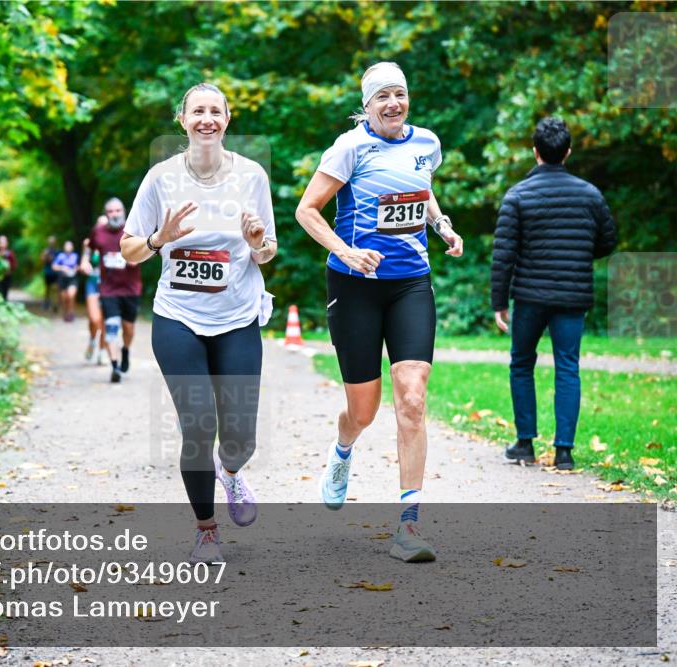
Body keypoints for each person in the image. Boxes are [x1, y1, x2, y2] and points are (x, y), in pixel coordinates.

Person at [295, 62, 463, 563]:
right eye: (382, 96)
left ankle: (408, 526)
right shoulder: (349, 148)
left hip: (410, 282)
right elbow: (307, 210)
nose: (393, 103)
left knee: (412, 397)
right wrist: (345, 252)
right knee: (363, 411)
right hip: (355, 287)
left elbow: (421, 188)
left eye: (400, 94)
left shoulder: (427, 143)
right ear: (367, 105)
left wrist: (442, 224)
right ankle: (342, 450)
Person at [120, 82, 277, 564]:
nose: (206, 119)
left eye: (215, 111)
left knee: (240, 437)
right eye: (197, 111)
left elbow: (267, 251)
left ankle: (231, 471)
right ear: (182, 120)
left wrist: (256, 241)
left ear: (227, 120)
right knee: (198, 424)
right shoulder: (160, 178)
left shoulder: (251, 175)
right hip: (178, 316)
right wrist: (158, 238)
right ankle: (207, 531)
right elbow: (128, 250)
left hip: (237, 315)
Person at [492, 117, 617, 471]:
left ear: (535, 152)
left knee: (521, 363)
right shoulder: (590, 195)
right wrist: (578, 254)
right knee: (567, 367)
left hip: (529, 297)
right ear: (568, 152)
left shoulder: (518, 196)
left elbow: (504, 255)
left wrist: (499, 302)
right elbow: (608, 241)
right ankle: (564, 452)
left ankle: (525, 444)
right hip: (572, 297)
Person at [86, 198, 143, 383]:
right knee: (111, 326)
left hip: (131, 289)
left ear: (124, 212)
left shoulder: (134, 229)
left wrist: (138, 258)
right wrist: (84, 261)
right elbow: (88, 247)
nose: (114, 214)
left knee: (128, 329)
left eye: (118, 210)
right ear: (106, 214)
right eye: (110, 211)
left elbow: (150, 249)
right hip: (108, 290)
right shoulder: (99, 231)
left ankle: (125, 350)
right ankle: (114, 365)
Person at [80, 217, 109, 364]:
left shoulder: (115, 241)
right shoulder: (88, 243)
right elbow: (84, 261)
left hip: (109, 285)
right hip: (92, 283)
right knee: (94, 319)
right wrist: (85, 265)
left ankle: (102, 352)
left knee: (105, 320)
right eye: (100, 224)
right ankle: (92, 341)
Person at [52, 240, 79, 322]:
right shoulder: (60, 256)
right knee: (64, 298)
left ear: (72, 247)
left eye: (69, 246)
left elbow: (79, 266)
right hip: (62, 279)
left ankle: (71, 312)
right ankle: (65, 312)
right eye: (66, 246)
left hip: (72, 278)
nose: (68, 247)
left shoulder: (75, 256)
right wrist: (62, 268)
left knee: (71, 295)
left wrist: (75, 269)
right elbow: (54, 266)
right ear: (64, 247)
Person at [0, 234, 17, 302]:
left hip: (7, 276)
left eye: (4, 242)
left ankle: (4, 303)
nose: (2, 244)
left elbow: (14, 265)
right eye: (1, 242)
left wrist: (9, 268)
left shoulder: (10, 253)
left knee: (5, 291)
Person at [40, 236, 59, 311]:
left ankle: (55, 305)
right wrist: (45, 256)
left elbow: (59, 261)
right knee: (47, 289)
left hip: (55, 273)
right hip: (48, 272)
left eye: (52, 242)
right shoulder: (46, 251)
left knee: (55, 289)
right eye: (50, 242)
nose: (51, 243)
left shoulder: (57, 251)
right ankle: (46, 304)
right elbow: (42, 260)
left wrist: (51, 258)